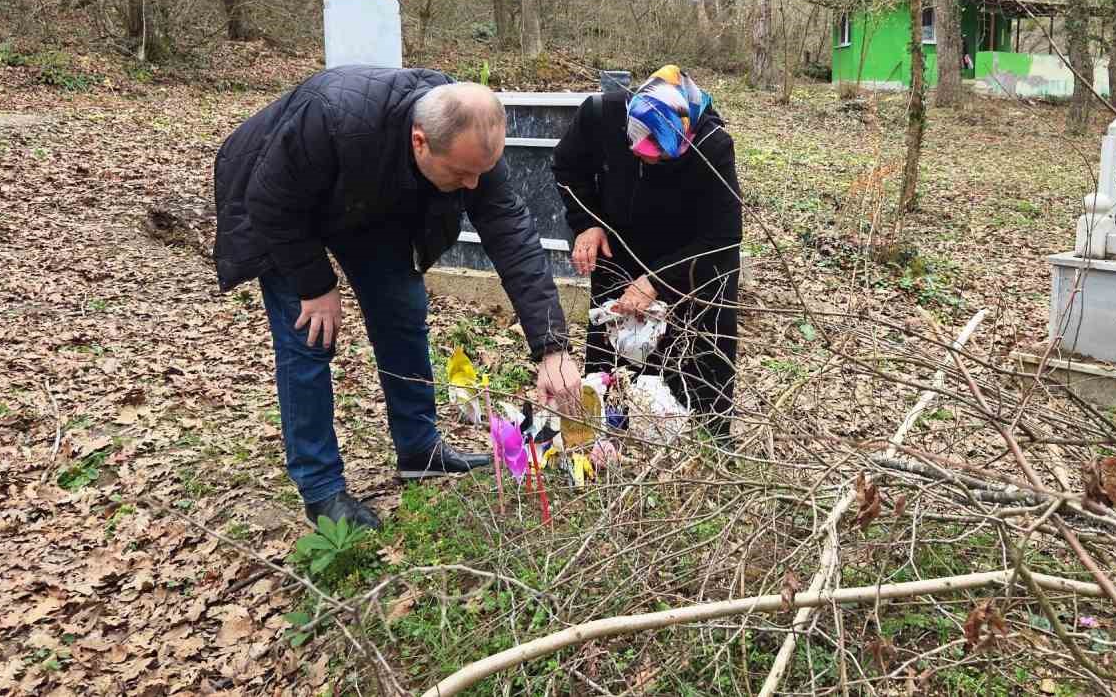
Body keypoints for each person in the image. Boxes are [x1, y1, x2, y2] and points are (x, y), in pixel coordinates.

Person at [214, 67, 582, 530]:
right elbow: (268, 200)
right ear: (420, 141)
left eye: (481, 173)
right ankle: (322, 491)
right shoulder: (333, 118)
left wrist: (551, 347)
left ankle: (419, 450)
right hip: (279, 204)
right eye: (461, 174)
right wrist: (314, 284)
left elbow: (512, 235)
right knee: (308, 338)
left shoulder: (471, 143)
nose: (473, 186)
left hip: (370, 206)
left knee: (403, 312)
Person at [551, 65, 741, 437]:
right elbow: (567, 168)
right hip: (620, 248)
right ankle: (611, 436)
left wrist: (657, 281)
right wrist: (586, 222)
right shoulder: (599, 116)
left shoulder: (713, 146)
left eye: (659, 155)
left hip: (691, 260)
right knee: (616, 352)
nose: (647, 160)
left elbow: (724, 237)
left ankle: (702, 444)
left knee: (695, 362)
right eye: (638, 150)